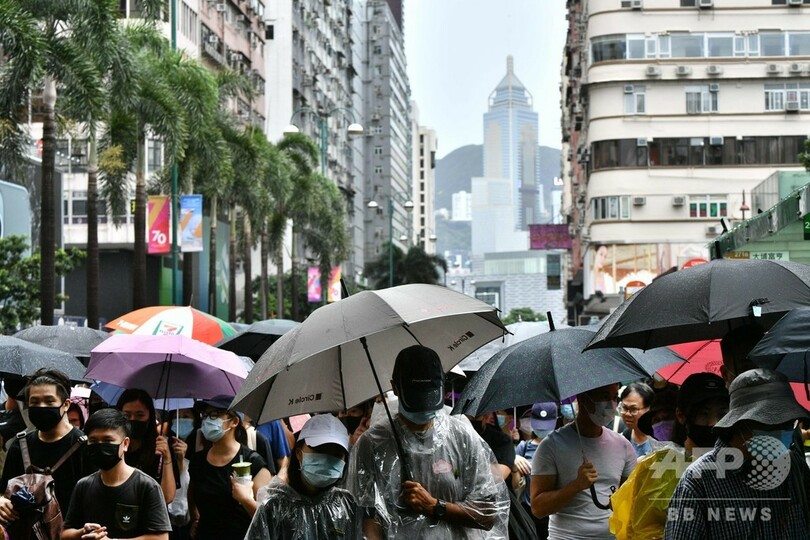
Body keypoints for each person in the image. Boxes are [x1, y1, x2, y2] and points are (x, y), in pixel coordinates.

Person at [348, 345, 509, 539]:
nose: (424, 408)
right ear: (395, 387)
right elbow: (364, 515)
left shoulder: (461, 435)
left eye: (430, 395)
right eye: (416, 398)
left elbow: (487, 514)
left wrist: (434, 506)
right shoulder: (373, 443)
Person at [664, 369, 810, 538]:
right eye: (768, 425)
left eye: (786, 425)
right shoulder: (699, 481)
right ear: (739, 424)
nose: (779, 433)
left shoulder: (794, 467)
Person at [608, 373, 729, 540]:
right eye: (704, 414)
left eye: (722, 414)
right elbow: (643, 530)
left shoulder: (735, 463)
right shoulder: (659, 466)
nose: (714, 423)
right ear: (681, 416)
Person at [531, 383, 636, 539]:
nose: (611, 404)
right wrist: (576, 486)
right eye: (604, 397)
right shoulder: (551, 446)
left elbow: (632, 498)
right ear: (583, 399)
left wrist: (621, 503)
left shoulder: (623, 445)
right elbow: (538, 508)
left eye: (615, 398)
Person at [245, 414, 362, 539]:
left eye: (336, 455)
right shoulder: (274, 506)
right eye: (319, 450)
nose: (327, 459)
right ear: (299, 453)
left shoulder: (347, 503)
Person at [62, 408, 172, 540]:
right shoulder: (83, 485)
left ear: (125, 444)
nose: (100, 446)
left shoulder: (146, 486)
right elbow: (65, 533)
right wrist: (83, 532)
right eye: (94, 441)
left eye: (108, 440)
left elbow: (161, 537)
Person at [0, 369, 89, 524]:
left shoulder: (84, 446)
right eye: (34, 402)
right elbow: (3, 491)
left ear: (66, 404)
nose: (41, 407)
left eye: (49, 402)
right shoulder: (20, 445)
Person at [188, 399, 272, 540]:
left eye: (215, 414)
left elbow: (269, 519)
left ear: (234, 422)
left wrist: (245, 500)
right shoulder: (198, 461)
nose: (209, 420)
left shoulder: (253, 463)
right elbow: (192, 493)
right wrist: (194, 518)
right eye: (206, 414)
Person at [117, 389, 183, 504]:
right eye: (127, 415)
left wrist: (167, 458)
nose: (133, 420)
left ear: (150, 416)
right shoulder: (114, 447)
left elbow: (167, 497)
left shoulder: (160, 448)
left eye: (140, 415)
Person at [516, 402, 559, 540]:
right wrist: (513, 461)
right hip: (528, 511)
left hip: (553, 511)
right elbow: (515, 485)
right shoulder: (523, 447)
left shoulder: (561, 446)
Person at [619, 382, 656, 457]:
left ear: (649, 409)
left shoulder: (661, 441)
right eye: (625, 408)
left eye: (634, 409)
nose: (627, 414)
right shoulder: (621, 440)